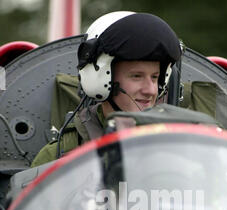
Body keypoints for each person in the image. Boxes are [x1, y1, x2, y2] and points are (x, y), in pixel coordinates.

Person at [31, 11, 182, 167]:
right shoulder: (59, 156)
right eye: (136, 76)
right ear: (102, 78)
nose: (150, 90)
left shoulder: (181, 149)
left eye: (155, 77)